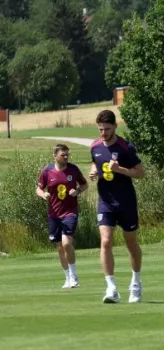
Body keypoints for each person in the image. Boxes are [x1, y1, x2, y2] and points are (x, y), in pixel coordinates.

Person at [88, 109, 145, 304]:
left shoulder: (125, 147)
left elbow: (140, 172)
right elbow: (94, 163)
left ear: (115, 127)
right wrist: (93, 171)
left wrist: (119, 169)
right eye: (100, 129)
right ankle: (111, 287)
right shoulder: (95, 146)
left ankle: (136, 282)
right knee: (105, 241)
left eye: (107, 129)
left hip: (126, 201)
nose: (103, 133)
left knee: (131, 243)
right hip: (105, 201)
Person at [37, 144, 87, 289]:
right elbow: (39, 188)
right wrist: (43, 194)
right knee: (59, 247)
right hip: (54, 214)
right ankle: (67, 277)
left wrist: (77, 191)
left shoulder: (73, 169)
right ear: (55, 155)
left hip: (70, 212)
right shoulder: (47, 171)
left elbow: (84, 185)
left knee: (66, 243)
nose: (66, 157)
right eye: (62, 155)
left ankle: (74, 276)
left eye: (67, 155)